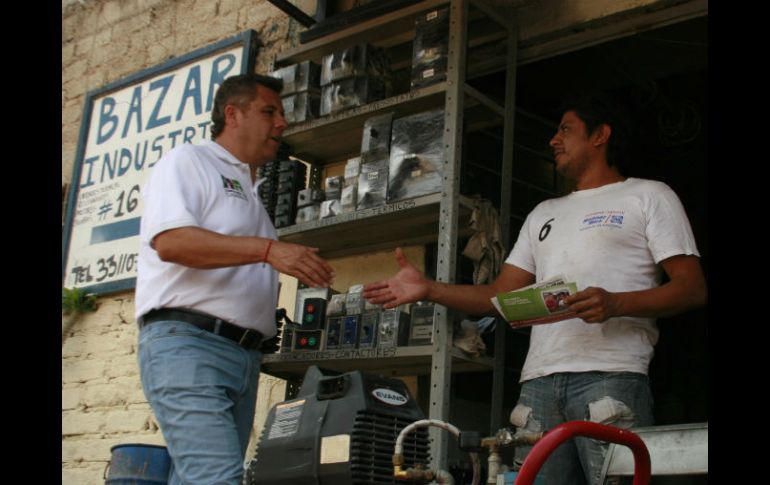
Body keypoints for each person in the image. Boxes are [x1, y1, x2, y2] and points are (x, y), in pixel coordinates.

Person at [362, 92, 707, 485]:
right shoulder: (544, 213)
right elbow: (500, 297)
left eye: (565, 129)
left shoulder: (649, 196)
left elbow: (692, 288)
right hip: (538, 384)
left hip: (612, 376)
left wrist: (615, 303)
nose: (553, 140)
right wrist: (428, 289)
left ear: (601, 135)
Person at [134, 73, 335, 485]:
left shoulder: (250, 188)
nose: (281, 123)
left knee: (202, 478)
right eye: (268, 111)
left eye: (281, 113)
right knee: (217, 479)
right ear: (232, 114)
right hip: (190, 346)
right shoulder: (189, 161)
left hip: (240, 356)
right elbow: (172, 242)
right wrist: (268, 250)